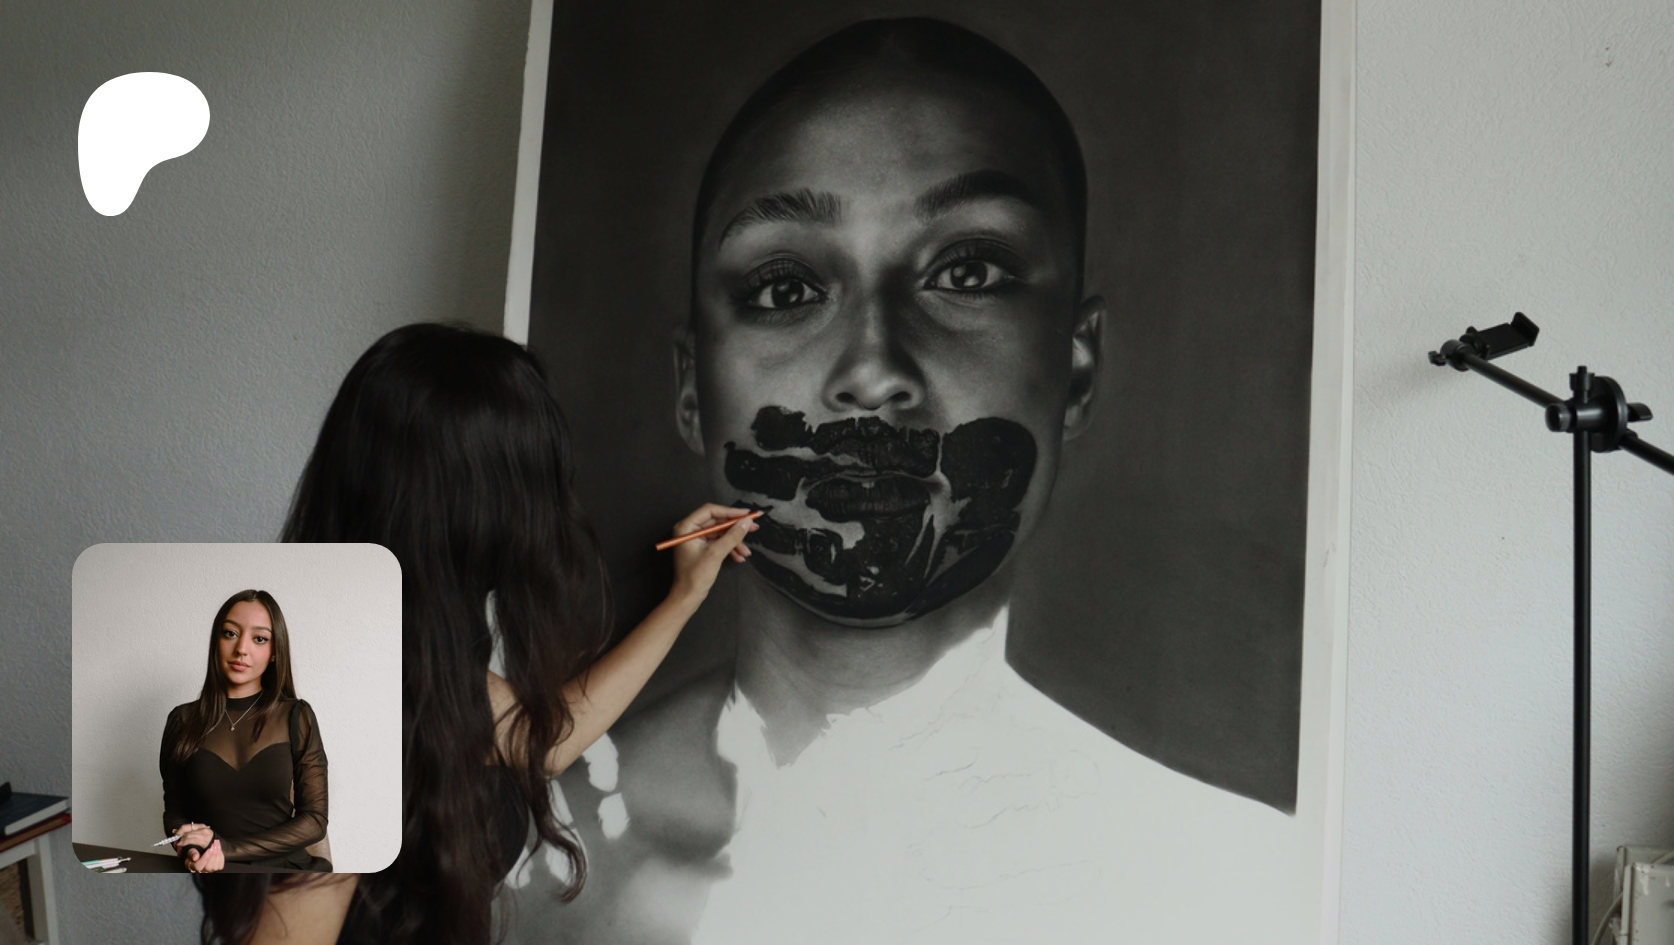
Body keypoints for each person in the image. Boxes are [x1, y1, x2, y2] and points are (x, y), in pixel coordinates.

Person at [503, 17, 1296, 945]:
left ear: (1075, 369)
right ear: (692, 389)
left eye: (968, 271)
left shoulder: (1232, 879)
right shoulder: (523, 874)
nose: (874, 370)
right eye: (787, 289)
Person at [191, 323, 755, 944]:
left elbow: (541, 742)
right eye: (535, 478)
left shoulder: (413, 648)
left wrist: (683, 598)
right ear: (480, 505)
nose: (553, 506)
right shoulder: (332, 711)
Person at [161, 589, 331, 873]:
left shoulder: (296, 716)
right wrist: (192, 849)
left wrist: (226, 848)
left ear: (274, 652)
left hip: (284, 871)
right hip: (210, 870)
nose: (241, 648)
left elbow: (315, 820)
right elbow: (175, 811)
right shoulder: (182, 720)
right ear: (216, 641)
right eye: (230, 633)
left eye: (259, 638)